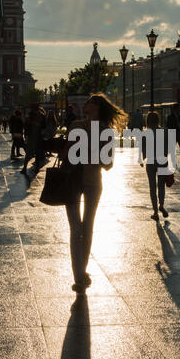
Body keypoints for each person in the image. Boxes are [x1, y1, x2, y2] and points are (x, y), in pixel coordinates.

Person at [61, 93, 127, 294]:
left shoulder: (106, 132)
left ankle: (80, 276)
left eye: (89, 101)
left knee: (86, 227)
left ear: (96, 107)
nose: (85, 104)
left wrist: (89, 148)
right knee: (77, 228)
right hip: (72, 180)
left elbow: (108, 164)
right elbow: (65, 153)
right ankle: (79, 276)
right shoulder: (76, 126)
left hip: (91, 182)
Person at [141, 111, 170, 222]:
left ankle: (155, 212)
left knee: (152, 187)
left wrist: (143, 159)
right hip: (162, 161)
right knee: (161, 185)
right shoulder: (165, 131)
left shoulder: (145, 133)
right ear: (158, 120)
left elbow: (143, 149)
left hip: (151, 162)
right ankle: (161, 204)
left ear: (147, 121)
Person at [21, 104, 46, 175]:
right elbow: (27, 126)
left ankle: (26, 168)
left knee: (31, 153)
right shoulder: (34, 116)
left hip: (34, 137)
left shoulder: (32, 116)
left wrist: (26, 135)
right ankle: (32, 168)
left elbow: (26, 126)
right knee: (34, 153)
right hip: (36, 137)